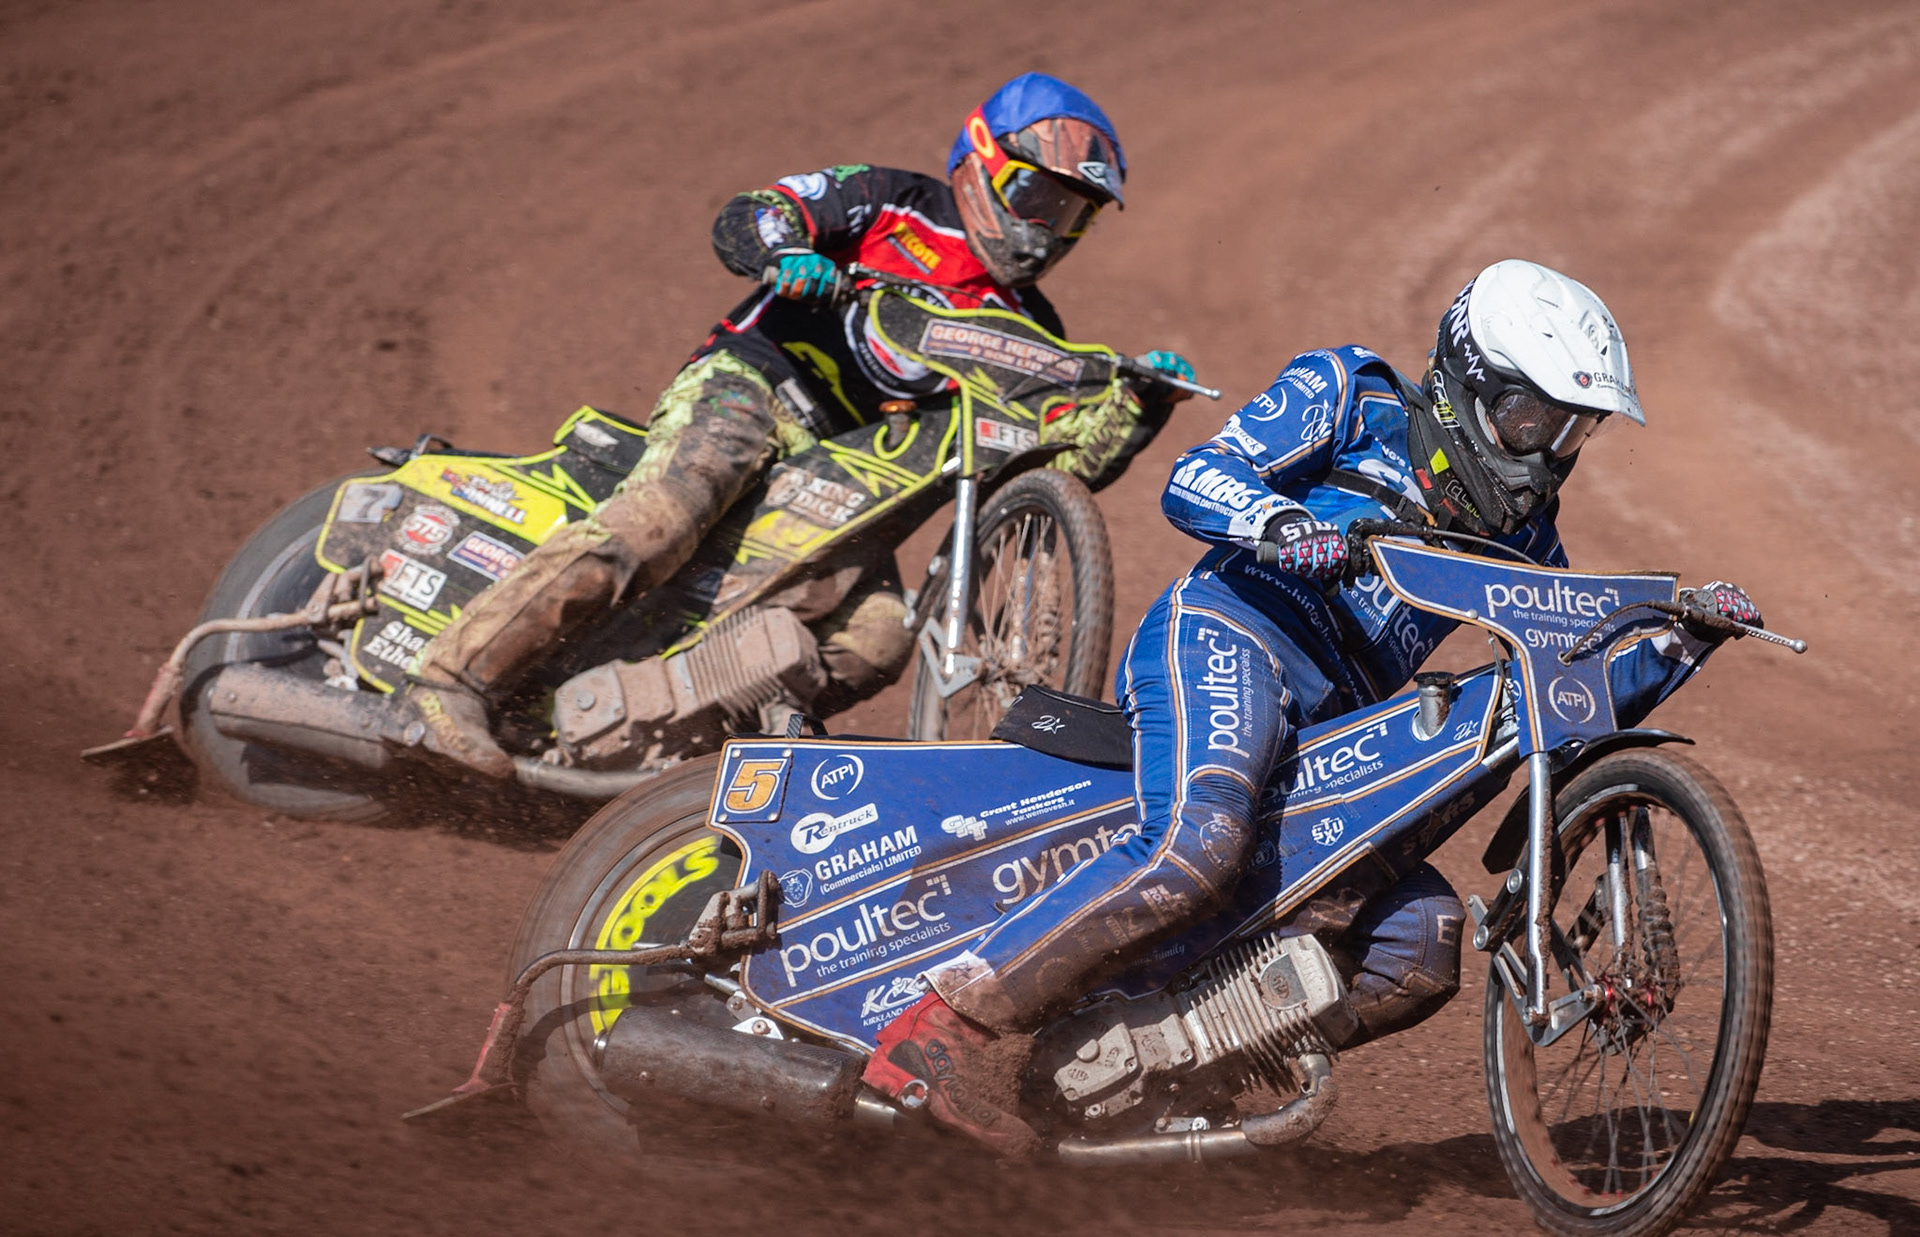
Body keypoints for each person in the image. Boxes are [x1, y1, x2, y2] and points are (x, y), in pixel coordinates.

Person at [862, 259, 1766, 1157]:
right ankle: (944, 1029)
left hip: (1336, 731)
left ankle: (1129, 1069)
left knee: (1418, 943)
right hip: (1231, 634)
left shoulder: (1529, 542)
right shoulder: (1351, 394)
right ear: (1469, 386)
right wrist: (1281, 523)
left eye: (1571, 432)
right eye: (1534, 418)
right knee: (1199, 843)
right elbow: (1197, 474)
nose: (1545, 455)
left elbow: (1560, 692)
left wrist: (1678, 643)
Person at [404, 73, 1195, 776]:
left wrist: (1138, 404)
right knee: (664, 517)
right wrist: (787, 254)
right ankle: (451, 681)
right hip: (757, 387)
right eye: (1039, 200)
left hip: (853, 476)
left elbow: (1052, 467)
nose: (1047, 230)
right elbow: (758, 211)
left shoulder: (1032, 325)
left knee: (879, 637)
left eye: (1073, 216)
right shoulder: (891, 201)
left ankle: (643, 760)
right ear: (981, 162)